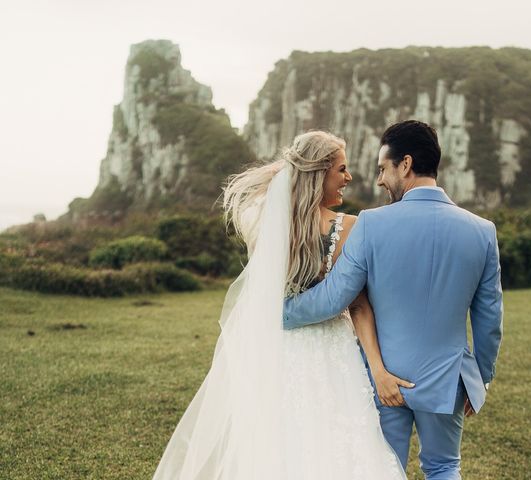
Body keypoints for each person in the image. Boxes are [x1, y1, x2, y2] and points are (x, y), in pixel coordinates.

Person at [152, 131, 409, 479]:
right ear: (319, 174)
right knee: (337, 441)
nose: (348, 178)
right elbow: (360, 306)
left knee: (278, 440)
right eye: (341, 169)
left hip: (279, 350)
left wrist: (292, 167)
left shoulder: (264, 224)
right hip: (332, 350)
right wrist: (378, 369)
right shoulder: (350, 227)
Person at [283, 120, 504, 479]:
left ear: (405, 164)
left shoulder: (371, 224)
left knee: (385, 468)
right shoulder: (482, 232)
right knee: (444, 467)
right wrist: (481, 379)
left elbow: (332, 298)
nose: (380, 180)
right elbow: (490, 320)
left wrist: (279, 313)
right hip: (448, 381)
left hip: (383, 379)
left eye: (383, 169)